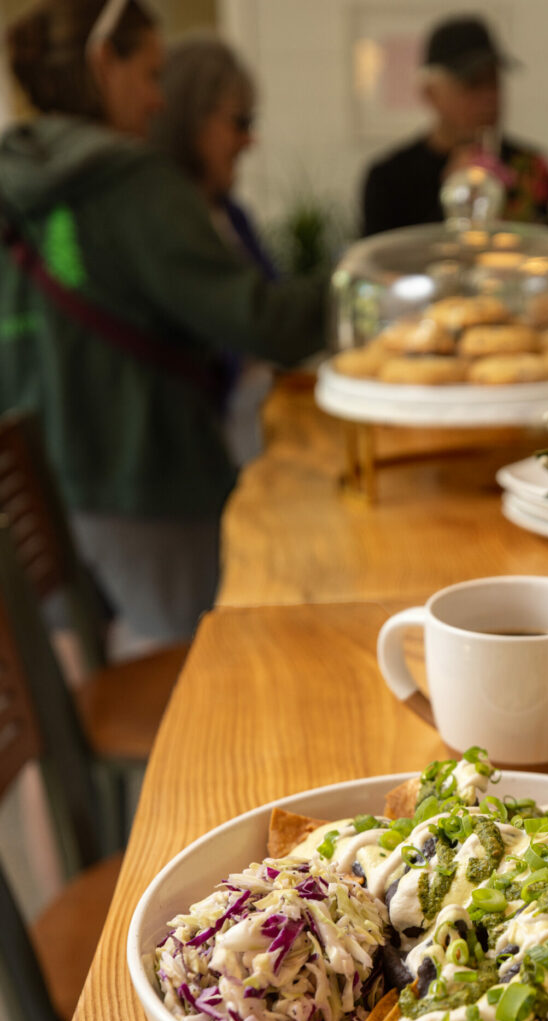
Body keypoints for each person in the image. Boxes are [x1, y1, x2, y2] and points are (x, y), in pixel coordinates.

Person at [0, 0, 326, 646]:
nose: (158, 101)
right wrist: (360, 285)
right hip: (147, 472)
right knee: (214, 660)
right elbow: (259, 320)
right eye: (150, 74)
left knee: (125, 649)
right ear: (103, 63)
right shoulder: (132, 181)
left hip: (52, 478)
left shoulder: (19, 179)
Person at [151, 36, 277, 467]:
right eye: (239, 123)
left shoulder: (233, 216)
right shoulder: (159, 225)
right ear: (191, 122)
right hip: (200, 460)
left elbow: (273, 312)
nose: (249, 140)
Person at [361, 14, 548, 237]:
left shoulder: (530, 167)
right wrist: (454, 198)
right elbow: (383, 263)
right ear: (431, 94)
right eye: (473, 83)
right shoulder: (389, 179)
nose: (489, 96)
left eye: (493, 82)